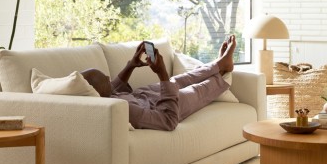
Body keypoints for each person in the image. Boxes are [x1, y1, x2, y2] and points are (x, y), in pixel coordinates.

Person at [81, 35, 236, 131]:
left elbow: (113, 87)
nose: (110, 80)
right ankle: (222, 69)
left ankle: (219, 64)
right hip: (165, 106)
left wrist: (131, 65)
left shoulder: (100, 95)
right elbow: (169, 121)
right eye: (106, 80)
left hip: (146, 93)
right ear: (98, 92)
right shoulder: (124, 111)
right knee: (196, 91)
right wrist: (162, 73)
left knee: (182, 78)